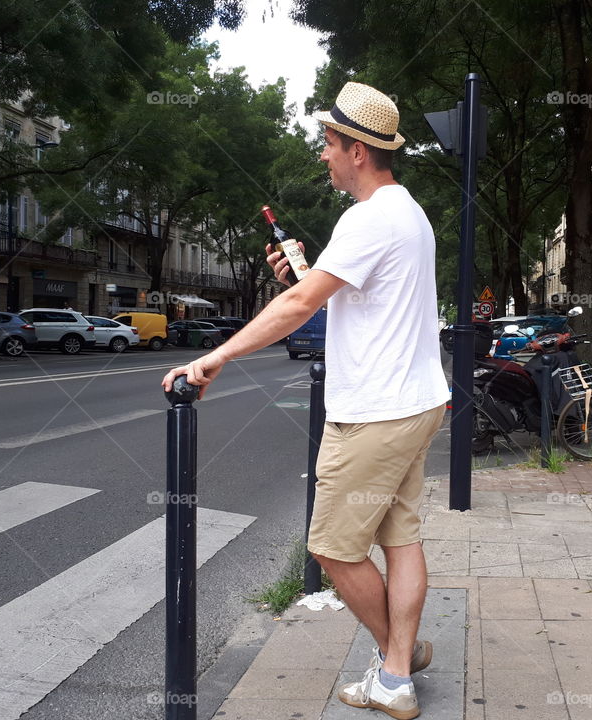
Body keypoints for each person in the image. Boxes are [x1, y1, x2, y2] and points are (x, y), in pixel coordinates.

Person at [162, 82, 449, 720]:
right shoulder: (409, 213)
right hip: (416, 401)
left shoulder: (369, 217)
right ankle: (402, 655)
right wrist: (304, 278)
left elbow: (298, 307)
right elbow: (336, 296)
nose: (322, 154)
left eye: (327, 143)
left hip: (375, 411)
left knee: (332, 549)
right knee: (400, 538)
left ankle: (393, 673)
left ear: (357, 151)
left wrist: (215, 357)